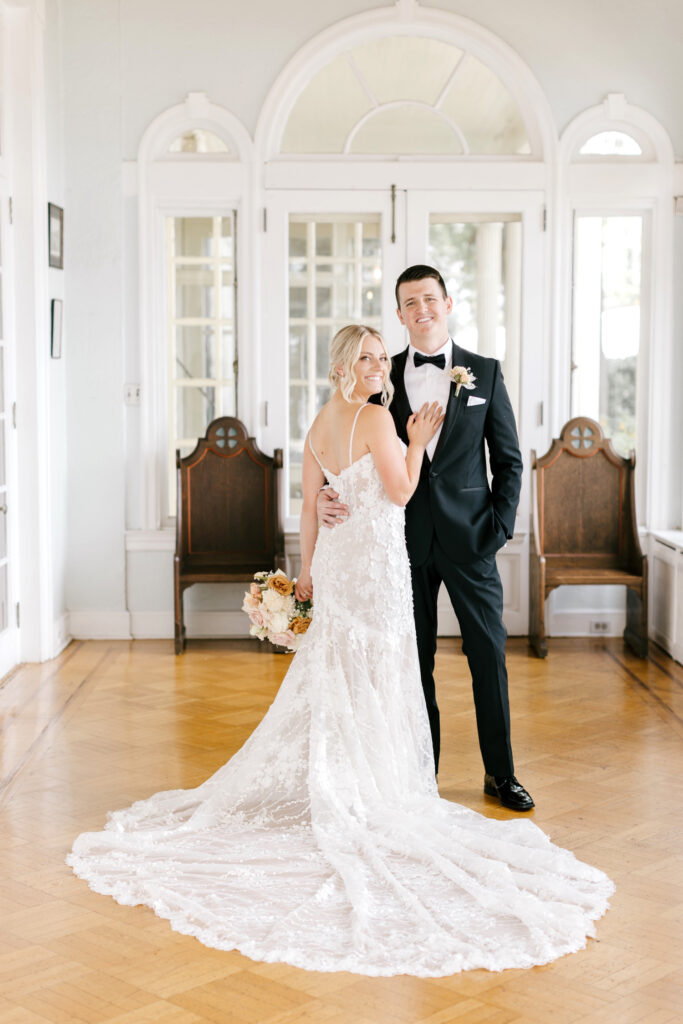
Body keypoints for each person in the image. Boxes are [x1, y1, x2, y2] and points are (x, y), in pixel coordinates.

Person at [68, 324, 613, 977]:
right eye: (368, 357)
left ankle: (347, 778)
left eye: (382, 356)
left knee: (339, 672)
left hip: (339, 566)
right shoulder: (380, 419)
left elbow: (309, 504)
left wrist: (304, 574)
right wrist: (416, 444)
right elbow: (404, 491)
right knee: (380, 673)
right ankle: (374, 788)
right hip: (377, 570)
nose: (379, 365)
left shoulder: (318, 424)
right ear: (344, 366)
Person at [319, 266, 532, 811]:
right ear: (399, 314)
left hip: (472, 540)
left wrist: (499, 529)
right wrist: (325, 494)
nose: (422, 309)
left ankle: (501, 774)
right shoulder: (379, 380)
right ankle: (420, 777)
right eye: (409, 302)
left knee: (488, 655)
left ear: (448, 303)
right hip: (399, 545)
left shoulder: (484, 372)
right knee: (414, 661)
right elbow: (345, 449)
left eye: (430, 299)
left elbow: (508, 462)